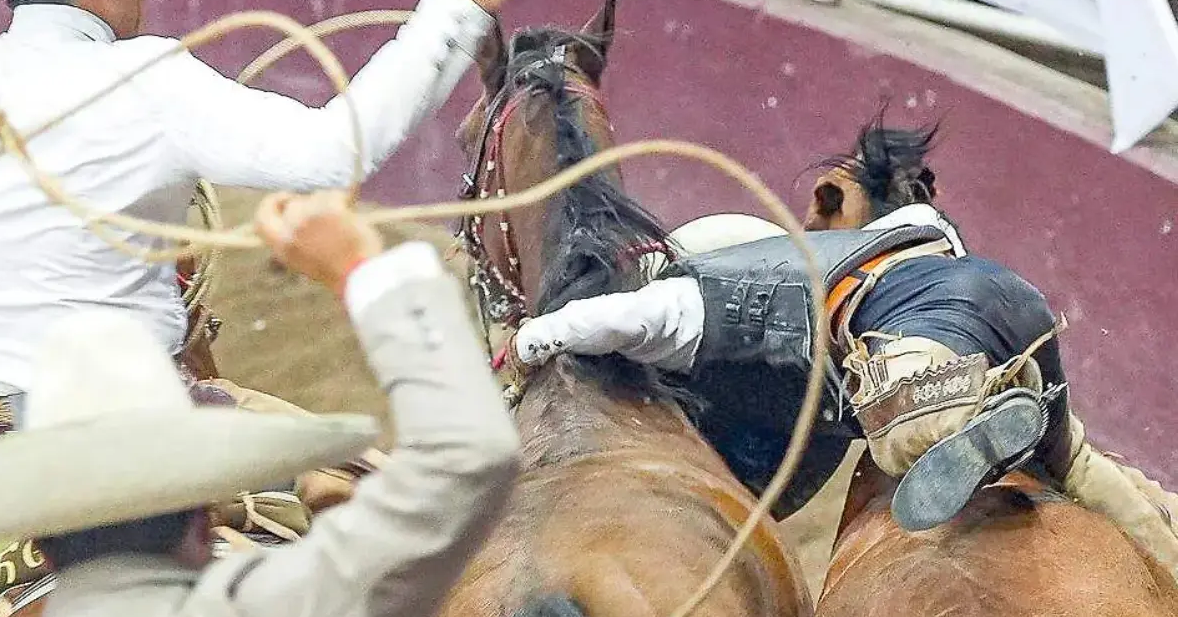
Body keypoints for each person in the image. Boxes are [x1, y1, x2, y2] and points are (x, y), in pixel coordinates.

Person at [0, 191, 521, 617]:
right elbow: (470, 453)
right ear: (206, 513)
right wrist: (362, 269)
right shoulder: (300, 615)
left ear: (41, 543)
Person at [505, 165, 1178, 549]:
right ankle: (1165, 536)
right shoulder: (895, 232)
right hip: (1011, 301)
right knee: (1081, 469)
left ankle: (974, 412)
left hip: (925, 341)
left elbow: (616, 318)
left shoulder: (695, 301)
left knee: (891, 431)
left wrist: (532, 339)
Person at [0, 0, 513, 440]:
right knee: (347, 479)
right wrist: (460, 6)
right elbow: (333, 153)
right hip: (129, 435)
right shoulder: (150, 79)